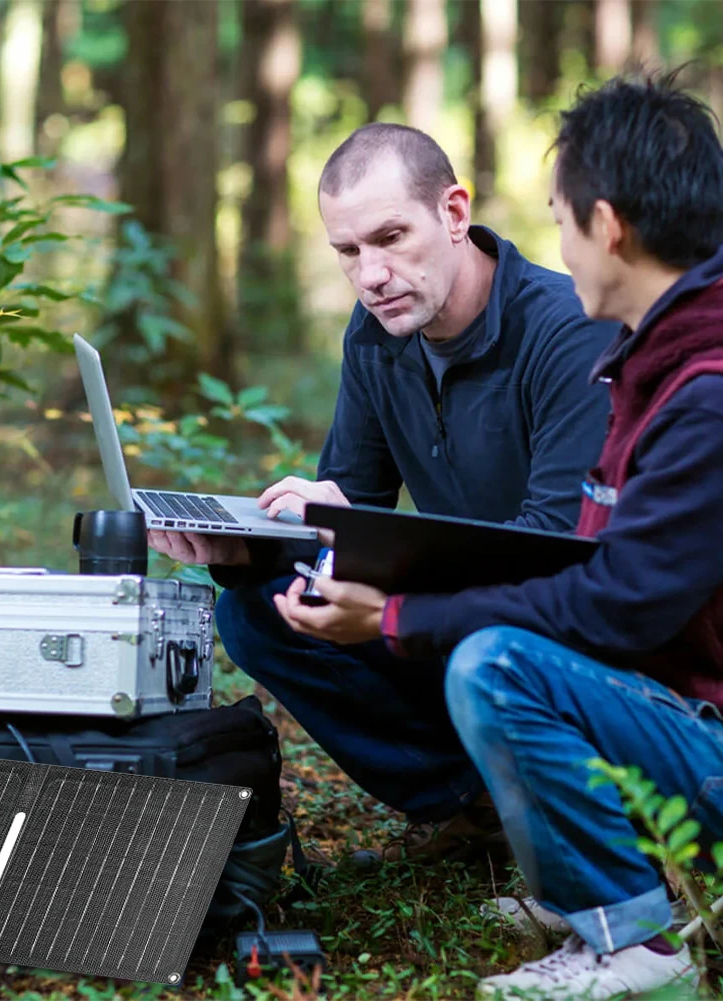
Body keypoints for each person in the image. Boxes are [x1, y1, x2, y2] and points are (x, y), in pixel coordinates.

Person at [275, 73, 723, 999]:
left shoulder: (700, 386)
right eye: (346, 251)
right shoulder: (656, 355)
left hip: (697, 726)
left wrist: (398, 617)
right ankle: (546, 854)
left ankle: (634, 942)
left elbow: (608, 599)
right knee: (478, 644)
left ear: (606, 227)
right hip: (662, 702)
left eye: (558, 220)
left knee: (499, 661)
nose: (552, 246)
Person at [151, 123, 617, 862]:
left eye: (391, 236)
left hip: (566, 636)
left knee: (475, 632)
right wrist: (248, 547)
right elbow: (351, 512)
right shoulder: (375, 335)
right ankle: (478, 808)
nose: (370, 274)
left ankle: (573, 804)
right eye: (348, 251)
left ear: (454, 214)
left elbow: (556, 555)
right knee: (258, 608)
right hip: (457, 616)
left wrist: (388, 604)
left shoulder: (566, 332)